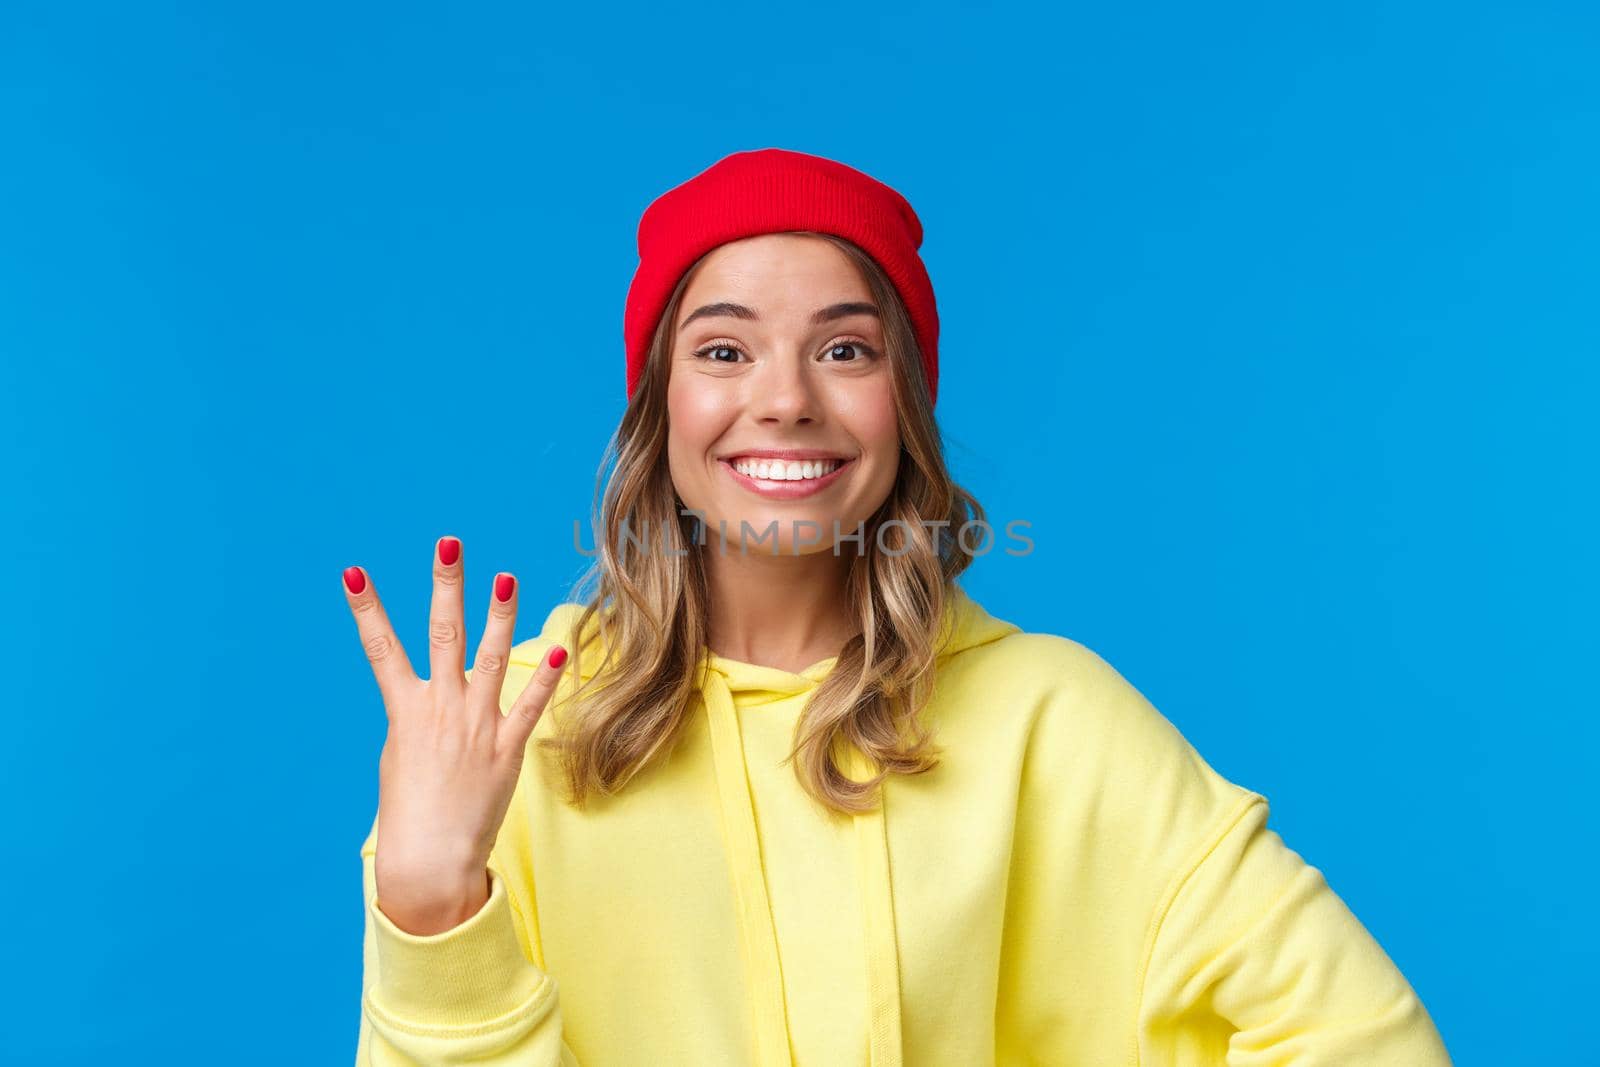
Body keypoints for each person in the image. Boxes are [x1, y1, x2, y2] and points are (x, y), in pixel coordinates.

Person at [346, 148, 1453, 1066]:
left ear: (903, 403)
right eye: (723, 349)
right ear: (660, 405)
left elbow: (1367, 1041)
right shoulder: (519, 726)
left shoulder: (1050, 717)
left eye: (844, 349)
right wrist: (431, 913)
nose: (784, 398)